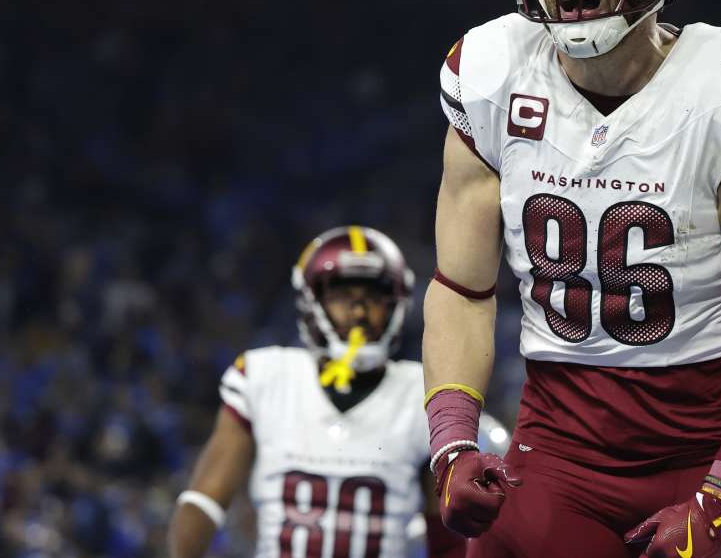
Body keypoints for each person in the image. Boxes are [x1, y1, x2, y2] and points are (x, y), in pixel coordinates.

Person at [423, 0, 721, 556]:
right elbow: (462, 289)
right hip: (558, 459)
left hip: (713, 447)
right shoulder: (491, 74)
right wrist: (453, 439)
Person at [167, 225, 503, 558]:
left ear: (397, 304)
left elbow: (445, 534)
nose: (359, 312)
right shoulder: (265, 377)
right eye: (344, 297)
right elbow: (205, 499)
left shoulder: (422, 391)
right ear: (311, 302)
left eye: (374, 298)